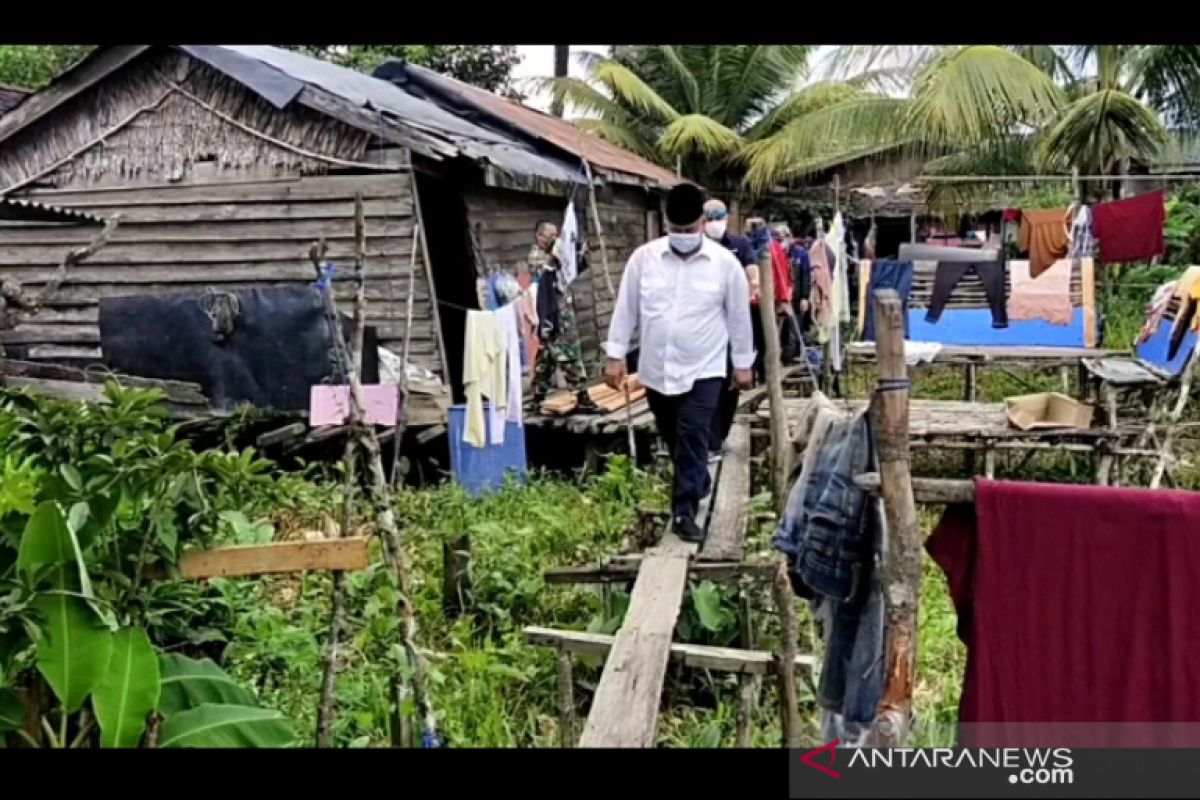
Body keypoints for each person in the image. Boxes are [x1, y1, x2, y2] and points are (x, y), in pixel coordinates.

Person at [605, 184, 754, 543]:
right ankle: (698, 478)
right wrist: (615, 354)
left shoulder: (725, 264)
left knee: (693, 431)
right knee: (673, 435)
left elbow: (738, 316)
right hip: (657, 369)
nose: (683, 237)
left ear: (703, 223)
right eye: (677, 230)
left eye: (690, 230)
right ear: (665, 227)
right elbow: (626, 308)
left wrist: (743, 363)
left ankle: (684, 512)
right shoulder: (644, 259)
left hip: (705, 368)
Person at [702, 198, 759, 462]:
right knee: (706, 384)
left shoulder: (740, 245)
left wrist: (752, 285)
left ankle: (721, 434)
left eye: (718, 215)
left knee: (729, 386)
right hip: (704, 327)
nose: (714, 221)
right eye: (709, 216)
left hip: (733, 326)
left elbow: (753, 274)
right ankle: (710, 442)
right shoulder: (697, 248)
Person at [528, 220, 595, 412]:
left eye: (556, 236)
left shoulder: (555, 255)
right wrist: (560, 249)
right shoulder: (536, 256)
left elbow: (569, 270)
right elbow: (547, 269)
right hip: (551, 315)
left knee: (546, 358)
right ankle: (582, 397)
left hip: (562, 313)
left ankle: (536, 398)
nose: (554, 240)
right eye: (550, 236)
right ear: (540, 237)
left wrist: (581, 255)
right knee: (569, 354)